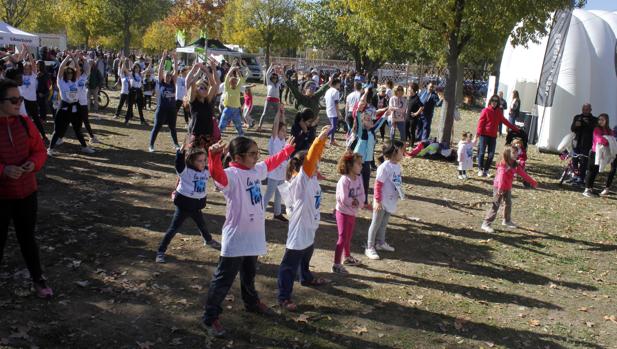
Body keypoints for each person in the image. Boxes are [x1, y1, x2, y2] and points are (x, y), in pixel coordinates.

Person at [202, 136, 295, 337]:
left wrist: (287, 150)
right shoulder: (232, 174)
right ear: (237, 157)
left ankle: (251, 302)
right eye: (252, 154)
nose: (256, 157)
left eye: (257, 153)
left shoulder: (255, 170)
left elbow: (270, 163)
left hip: (253, 236)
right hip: (236, 238)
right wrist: (213, 156)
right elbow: (217, 175)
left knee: (249, 274)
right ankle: (210, 317)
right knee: (223, 280)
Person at [0, 78, 52, 298]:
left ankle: (38, 279)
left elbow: (40, 150)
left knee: (28, 238)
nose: (18, 102)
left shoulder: (24, 122)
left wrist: (34, 164)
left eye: (19, 98)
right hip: (2, 196)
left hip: (27, 192)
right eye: (13, 99)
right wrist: (2, 170)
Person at [277, 126, 330, 311]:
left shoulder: (311, 177)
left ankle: (306, 277)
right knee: (289, 264)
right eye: (314, 165)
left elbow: (314, 158)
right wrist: (318, 140)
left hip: (310, 226)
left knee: (306, 254)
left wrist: (322, 143)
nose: (317, 166)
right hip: (299, 229)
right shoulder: (300, 181)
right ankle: (284, 296)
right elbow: (310, 160)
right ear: (302, 168)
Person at [155, 138, 221, 263]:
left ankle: (208, 240)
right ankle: (161, 251)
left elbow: (216, 168)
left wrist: (219, 154)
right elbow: (179, 164)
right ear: (192, 161)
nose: (203, 163)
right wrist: (180, 153)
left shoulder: (206, 171)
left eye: (204, 160)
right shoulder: (185, 172)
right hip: (184, 206)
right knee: (173, 229)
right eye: (199, 161)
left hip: (196, 206)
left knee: (202, 224)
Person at [481, 146, 537, 233]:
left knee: (508, 204)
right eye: (514, 153)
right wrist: (499, 189)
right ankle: (486, 224)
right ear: (508, 154)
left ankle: (506, 221)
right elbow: (500, 178)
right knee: (495, 205)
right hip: (499, 187)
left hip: (507, 187)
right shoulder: (503, 165)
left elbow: (523, 174)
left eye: (516, 152)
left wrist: (532, 181)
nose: (516, 155)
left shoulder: (514, 164)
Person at [365, 140, 405, 260]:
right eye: (401, 150)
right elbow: (378, 185)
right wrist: (377, 200)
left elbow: (396, 182)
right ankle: (370, 246)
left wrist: (401, 193)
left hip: (390, 200)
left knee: (384, 223)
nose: (403, 153)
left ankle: (380, 243)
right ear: (394, 152)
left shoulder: (397, 166)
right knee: (376, 223)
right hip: (381, 201)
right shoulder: (384, 167)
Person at [48, 52, 95, 155]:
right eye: (68, 73)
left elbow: (78, 69)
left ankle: (84, 147)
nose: (70, 74)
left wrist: (75, 58)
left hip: (75, 109)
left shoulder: (75, 81)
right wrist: (68, 57)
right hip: (64, 109)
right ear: (64, 74)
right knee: (58, 130)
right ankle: (50, 149)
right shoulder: (61, 82)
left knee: (78, 129)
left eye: (71, 73)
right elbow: (61, 67)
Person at [333, 151, 364, 274]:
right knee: (342, 238)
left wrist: (360, 203)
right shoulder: (344, 180)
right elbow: (343, 198)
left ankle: (347, 257)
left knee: (348, 236)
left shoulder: (359, 178)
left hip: (352, 213)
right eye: (359, 164)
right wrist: (354, 201)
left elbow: (362, 194)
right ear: (350, 166)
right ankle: (336, 264)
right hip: (343, 213)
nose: (361, 166)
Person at [475, 94, 519, 177]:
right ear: (490, 101)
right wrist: (477, 135)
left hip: (493, 136)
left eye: (496, 101)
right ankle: (480, 169)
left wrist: (515, 129)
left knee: (491, 155)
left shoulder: (498, 112)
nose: (494, 102)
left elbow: (505, 121)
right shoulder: (485, 110)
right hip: (484, 135)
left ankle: (486, 170)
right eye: (493, 100)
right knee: (481, 153)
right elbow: (480, 124)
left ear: (498, 103)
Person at [354, 107, 387, 207]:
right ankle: (353, 200)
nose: (370, 121)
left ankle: (364, 202)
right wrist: (359, 111)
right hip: (357, 161)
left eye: (371, 120)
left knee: (366, 182)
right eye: (367, 120)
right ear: (363, 122)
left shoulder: (372, 131)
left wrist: (385, 115)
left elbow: (379, 123)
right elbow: (358, 118)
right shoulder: (360, 132)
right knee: (355, 182)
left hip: (367, 161)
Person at [149, 50, 179, 153]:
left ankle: (176, 144)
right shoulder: (161, 83)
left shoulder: (173, 83)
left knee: (173, 128)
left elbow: (176, 70)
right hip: (161, 108)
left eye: (170, 76)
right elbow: (160, 70)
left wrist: (175, 59)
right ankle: (151, 145)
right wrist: (163, 57)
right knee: (157, 127)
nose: (168, 77)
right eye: (167, 76)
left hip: (171, 109)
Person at [185, 58, 220, 146]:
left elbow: (214, 85)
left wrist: (208, 70)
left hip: (208, 136)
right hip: (196, 136)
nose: (204, 90)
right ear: (196, 90)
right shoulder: (193, 101)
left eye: (205, 88)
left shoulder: (207, 100)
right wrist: (197, 70)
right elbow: (191, 83)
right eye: (201, 88)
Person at [263, 107, 289, 222]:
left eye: (285, 131)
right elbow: (276, 123)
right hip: (274, 172)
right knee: (269, 194)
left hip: (282, 172)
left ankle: (277, 213)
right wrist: (278, 113)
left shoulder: (283, 140)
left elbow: (283, 123)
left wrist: (283, 114)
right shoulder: (275, 140)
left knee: (280, 193)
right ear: (276, 131)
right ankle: (260, 212)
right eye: (282, 131)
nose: (284, 132)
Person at [583, 113, 615, 197]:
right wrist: (607, 141)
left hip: (602, 154)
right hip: (594, 153)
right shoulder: (596, 129)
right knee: (591, 171)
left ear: (606, 121)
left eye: (602, 120)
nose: (600, 121)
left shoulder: (609, 130)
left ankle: (590, 188)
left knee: (595, 171)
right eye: (599, 119)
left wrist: (608, 140)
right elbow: (600, 139)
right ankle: (586, 189)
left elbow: (612, 139)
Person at [20, 57, 47, 142]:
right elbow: (18, 62)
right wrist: (23, 52)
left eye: (28, 68)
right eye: (25, 68)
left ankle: (43, 135)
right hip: (23, 100)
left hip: (32, 100)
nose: (26, 70)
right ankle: (26, 137)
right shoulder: (20, 76)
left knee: (36, 118)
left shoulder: (33, 75)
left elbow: (33, 64)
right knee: (24, 119)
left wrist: (28, 50)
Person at [570, 103, 597, 184]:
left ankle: (581, 178)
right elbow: (572, 129)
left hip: (587, 144)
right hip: (576, 142)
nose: (585, 111)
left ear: (590, 110)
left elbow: (594, 130)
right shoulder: (577, 117)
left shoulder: (594, 119)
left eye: (587, 109)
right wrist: (576, 125)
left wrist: (585, 123)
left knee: (583, 161)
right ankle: (575, 175)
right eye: (583, 109)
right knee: (574, 159)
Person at [218, 64, 247, 136]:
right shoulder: (227, 88)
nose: (234, 83)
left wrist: (238, 71)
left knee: (238, 125)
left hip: (236, 110)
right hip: (228, 109)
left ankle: (241, 135)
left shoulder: (237, 88)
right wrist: (232, 69)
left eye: (235, 82)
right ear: (229, 83)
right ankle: (217, 134)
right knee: (222, 124)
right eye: (233, 82)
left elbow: (241, 79)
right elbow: (227, 77)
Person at [76, 59, 99, 144]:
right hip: (74, 102)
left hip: (83, 102)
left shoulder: (84, 76)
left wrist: (83, 59)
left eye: (81, 67)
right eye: (78, 67)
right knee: (72, 121)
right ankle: (59, 136)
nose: (80, 69)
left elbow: (88, 67)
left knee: (85, 120)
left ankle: (91, 137)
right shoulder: (72, 77)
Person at [257, 64, 282, 131]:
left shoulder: (278, 83)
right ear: (271, 78)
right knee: (264, 113)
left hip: (276, 101)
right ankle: (259, 126)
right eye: (273, 77)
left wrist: (280, 70)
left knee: (277, 114)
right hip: (269, 100)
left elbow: (282, 77)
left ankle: (275, 127)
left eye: (276, 77)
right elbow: (267, 74)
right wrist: (271, 66)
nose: (274, 78)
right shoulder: (269, 82)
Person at [405, 82, 424, 148]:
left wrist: (416, 113)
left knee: (412, 131)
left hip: (413, 118)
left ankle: (411, 145)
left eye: (409, 88)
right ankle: (410, 140)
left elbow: (422, 106)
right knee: (406, 130)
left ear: (413, 89)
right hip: (407, 117)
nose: (408, 89)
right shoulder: (409, 96)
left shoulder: (416, 98)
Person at [325, 77, 341, 145]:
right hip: (333, 111)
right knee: (334, 127)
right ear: (337, 84)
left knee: (333, 126)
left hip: (328, 110)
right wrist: (338, 113)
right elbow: (336, 103)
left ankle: (332, 140)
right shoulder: (336, 91)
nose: (340, 86)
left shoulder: (328, 91)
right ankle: (323, 137)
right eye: (339, 84)